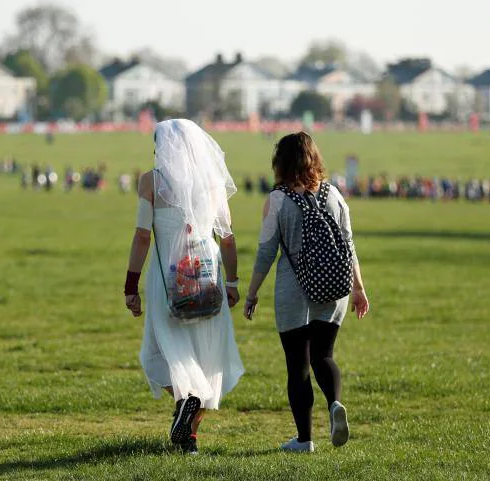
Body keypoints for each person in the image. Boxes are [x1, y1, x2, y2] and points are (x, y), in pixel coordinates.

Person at [124, 119, 244, 455]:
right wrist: (232, 282)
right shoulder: (212, 183)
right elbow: (229, 238)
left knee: (156, 354)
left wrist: (130, 285)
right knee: (206, 356)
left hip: (168, 279)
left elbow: (142, 236)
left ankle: (185, 402)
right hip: (207, 275)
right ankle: (189, 435)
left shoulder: (151, 181)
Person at [244, 132, 370, 453]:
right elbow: (349, 244)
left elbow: (265, 252)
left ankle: (304, 440)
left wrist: (252, 293)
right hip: (334, 288)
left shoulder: (277, 201)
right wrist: (359, 288)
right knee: (324, 356)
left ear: (281, 163)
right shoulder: (334, 195)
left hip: (294, 292)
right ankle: (335, 404)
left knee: (297, 366)